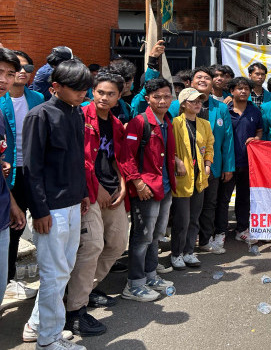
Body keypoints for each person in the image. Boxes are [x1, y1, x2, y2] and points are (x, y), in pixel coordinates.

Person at [24, 59, 92, 350]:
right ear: (55, 87)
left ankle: (40, 325)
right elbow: (31, 168)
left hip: (73, 202)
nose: (82, 94)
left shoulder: (76, 114)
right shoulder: (40, 116)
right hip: (51, 209)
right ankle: (48, 339)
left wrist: (83, 193)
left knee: (65, 267)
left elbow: (78, 160)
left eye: (84, 88)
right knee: (54, 272)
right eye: (76, 89)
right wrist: (39, 210)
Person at [64, 69, 132, 336]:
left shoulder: (115, 123)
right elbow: (78, 158)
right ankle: (75, 311)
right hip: (88, 192)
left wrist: (123, 184)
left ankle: (82, 290)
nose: (104, 98)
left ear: (119, 96)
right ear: (92, 92)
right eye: (100, 92)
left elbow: (118, 158)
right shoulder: (79, 116)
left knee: (116, 244)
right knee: (92, 246)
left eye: (110, 94)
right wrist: (99, 187)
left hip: (113, 190)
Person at [121, 77, 176, 302]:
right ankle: (134, 284)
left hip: (164, 188)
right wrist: (138, 182)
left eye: (166, 96)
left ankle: (151, 275)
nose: (162, 101)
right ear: (148, 99)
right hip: (147, 189)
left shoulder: (167, 122)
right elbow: (126, 157)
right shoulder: (139, 122)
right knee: (142, 237)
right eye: (157, 97)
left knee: (156, 235)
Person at [168, 66, 234, 255]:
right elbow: (168, 136)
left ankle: (205, 240)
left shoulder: (220, 107)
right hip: (184, 168)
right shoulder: (176, 106)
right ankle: (180, 247)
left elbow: (227, 138)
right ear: (191, 82)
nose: (204, 80)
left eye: (207, 77)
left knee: (209, 205)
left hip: (211, 165)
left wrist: (228, 166)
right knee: (183, 209)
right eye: (199, 77)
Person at [1, 50, 43, 301]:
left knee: (18, 227)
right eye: (18, 69)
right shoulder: (0, 100)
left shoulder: (37, 98)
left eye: (27, 69)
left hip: (31, 170)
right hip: (7, 171)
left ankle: (9, 279)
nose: (22, 73)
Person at [170, 88, 214, 270]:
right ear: (183, 104)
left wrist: (208, 164)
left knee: (195, 217)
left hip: (199, 177)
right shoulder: (175, 123)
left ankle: (189, 252)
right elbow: (168, 146)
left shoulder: (205, 124)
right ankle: (176, 253)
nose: (197, 104)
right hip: (182, 177)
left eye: (200, 101)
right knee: (182, 219)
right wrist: (177, 160)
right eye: (193, 101)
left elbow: (209, 146)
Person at [0, 50, 27, 300]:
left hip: (23, 175)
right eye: (0, 72)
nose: (5, 79)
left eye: (10, 73)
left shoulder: (36, 98)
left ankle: (9, 280)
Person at [227, 77, 263, 242]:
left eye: (246, 89)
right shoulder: (224, 110)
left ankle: (242, 229)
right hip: (227, 163)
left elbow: (259, 131)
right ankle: (219, 231)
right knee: (223, 199)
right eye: (239, 88)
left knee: (244, 197)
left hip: (248, 163)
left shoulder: (254, 111)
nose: (243, 91)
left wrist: (256, 138)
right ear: (232, 91)